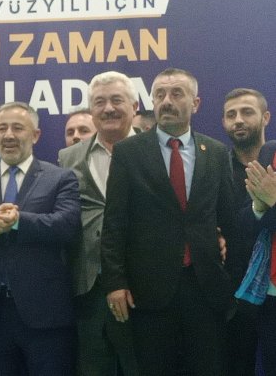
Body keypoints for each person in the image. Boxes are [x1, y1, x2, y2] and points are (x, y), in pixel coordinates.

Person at [101, 68, 236, 375]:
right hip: (148, 292)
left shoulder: (216, 153)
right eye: (159, 94)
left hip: (205, 289)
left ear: (196, 103)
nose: (166, 101)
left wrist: (232, 281)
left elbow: (229, 221)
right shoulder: (128, 152)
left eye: (177, 94)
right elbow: (114, 224)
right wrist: (115, 283)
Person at [0, 101, 81, 375]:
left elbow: (67, 226)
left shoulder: (61, 178)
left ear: (35, 135)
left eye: (18, 128)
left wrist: (20, 221)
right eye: (2, 128)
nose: (9, 135)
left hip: (45, 314)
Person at [58, 71, 140, 376]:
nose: (108, 108)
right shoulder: (67, 158)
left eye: (117, 100)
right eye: (99, 102)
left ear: (134, 106)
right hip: (88, 285)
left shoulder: (154, 150)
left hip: (144, 283)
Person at [221, 88, 270, 375]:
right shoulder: (214, 167)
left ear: (265, 117)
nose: (238, 120)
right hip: (233, 292)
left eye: (247, 112)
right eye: (231, 115)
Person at [237, 141, 276, 376]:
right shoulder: (270, 151)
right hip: (271, 294)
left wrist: (274, 202)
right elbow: (244, 223)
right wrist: (259, 207)